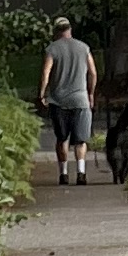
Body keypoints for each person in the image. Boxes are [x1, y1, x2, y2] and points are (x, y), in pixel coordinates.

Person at [39, 17, 97, 186]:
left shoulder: (52, 49)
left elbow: (45, 73)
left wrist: (42, 94)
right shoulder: (84, 47)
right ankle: (81, 172)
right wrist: (91, 93)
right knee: (80, 139)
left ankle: (63, 174)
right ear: (70, 29)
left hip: (58, 100)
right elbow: (93, 73)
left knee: (62, 138)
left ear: (56, 31)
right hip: (81, 100)